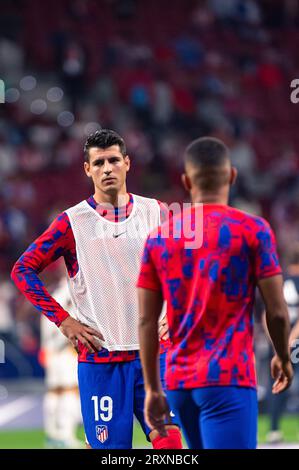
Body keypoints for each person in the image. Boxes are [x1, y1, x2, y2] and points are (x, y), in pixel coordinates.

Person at [11, 129, 182, 449]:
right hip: (102, 359)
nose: (107, 168)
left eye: (114, 160)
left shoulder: (158, 213)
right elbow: (22, 270)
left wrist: (175, 309)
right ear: (87, 169)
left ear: (127, 163)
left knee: (170, 444)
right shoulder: (71, 222)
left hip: (154, 357)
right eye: (99, 162)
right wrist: (64, 320)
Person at [137, 136, 293, 449]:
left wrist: (154, 388)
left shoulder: (159, 237)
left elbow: (145, 321)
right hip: (228, 376)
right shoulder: (252, 229)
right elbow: (276, 311)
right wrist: (282, 356)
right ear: (232, 175)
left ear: (185, 181)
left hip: (179, 381)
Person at [40, 275, 82, 448]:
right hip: (65, 351)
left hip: (51, 352)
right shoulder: (71, 292)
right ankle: (66, 435)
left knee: (54, 392)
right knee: (70, 392)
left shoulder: (52, 295)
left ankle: (52, 433)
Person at [265, 245, 299, 444]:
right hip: (295, 340)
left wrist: (276, 340)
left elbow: (266, 314)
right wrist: (292, 339)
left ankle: (274, 430)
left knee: (277, 384)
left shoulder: (278, 282)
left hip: (278, 341)